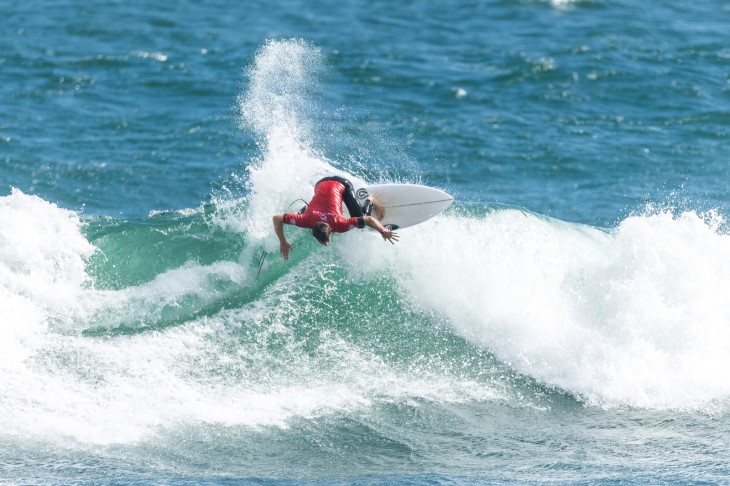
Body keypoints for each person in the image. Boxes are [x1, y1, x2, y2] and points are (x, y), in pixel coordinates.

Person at [272, 176, 399, 260]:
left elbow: (369, 220)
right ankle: (308, 208)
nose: (326, 244)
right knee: (305, 214)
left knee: (360, 222)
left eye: (325, 241)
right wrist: (283, 242)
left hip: (342, 184)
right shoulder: (304, 220)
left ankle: (371, 200)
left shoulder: (340, 224)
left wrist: (383, 231)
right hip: (320, 183)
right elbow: (277, 218)